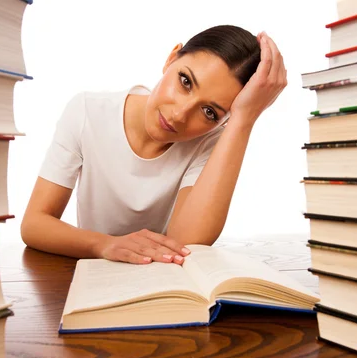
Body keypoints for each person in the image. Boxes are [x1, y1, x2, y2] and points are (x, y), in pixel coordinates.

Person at [21, 25, 287, 266]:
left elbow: (188, 240)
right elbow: (34, 224)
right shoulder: (87, 112)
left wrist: (243, 120)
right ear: (171, 58)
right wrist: (105, 244)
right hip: (93, 277)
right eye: (185, 82)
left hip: (160, 286)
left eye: (209, 112)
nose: (180, 114)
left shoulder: (210, 143)